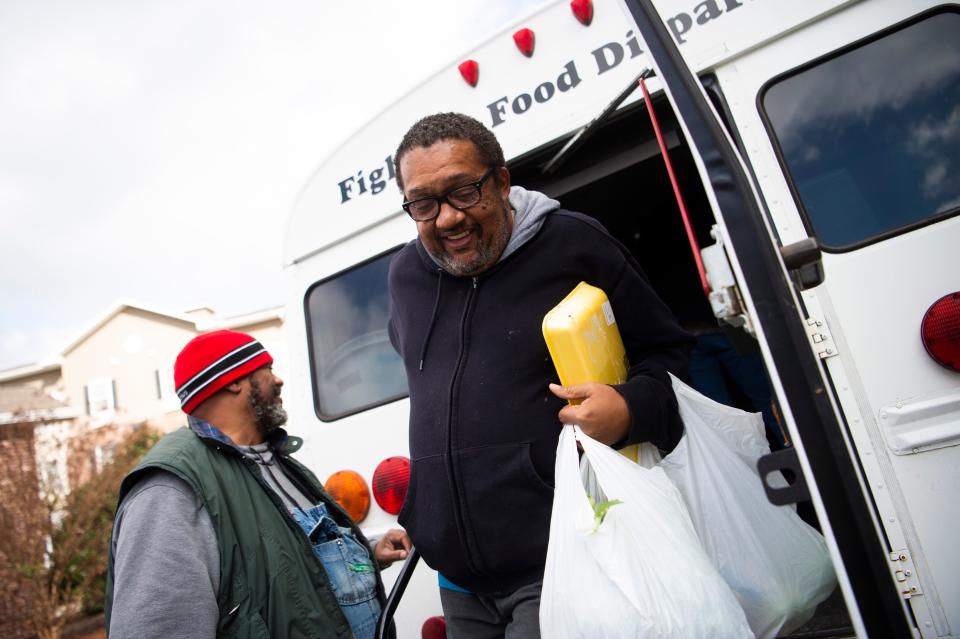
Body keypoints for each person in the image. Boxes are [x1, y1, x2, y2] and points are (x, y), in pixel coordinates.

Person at [387, 112, 694, 637]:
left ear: (502, 182)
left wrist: (630, 409)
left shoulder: (573, 243)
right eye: (423, 203)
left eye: (463, 191)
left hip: (565, 559)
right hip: (458, 582)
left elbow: (673, 357)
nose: (446, 219)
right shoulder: (406, 277)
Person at [104, 330, 411, 639]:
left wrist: (367, 555)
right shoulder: (169, 490)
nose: (278, 381)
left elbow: (286, 572)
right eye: (267, 369)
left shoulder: (281, 464)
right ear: (234, 380)